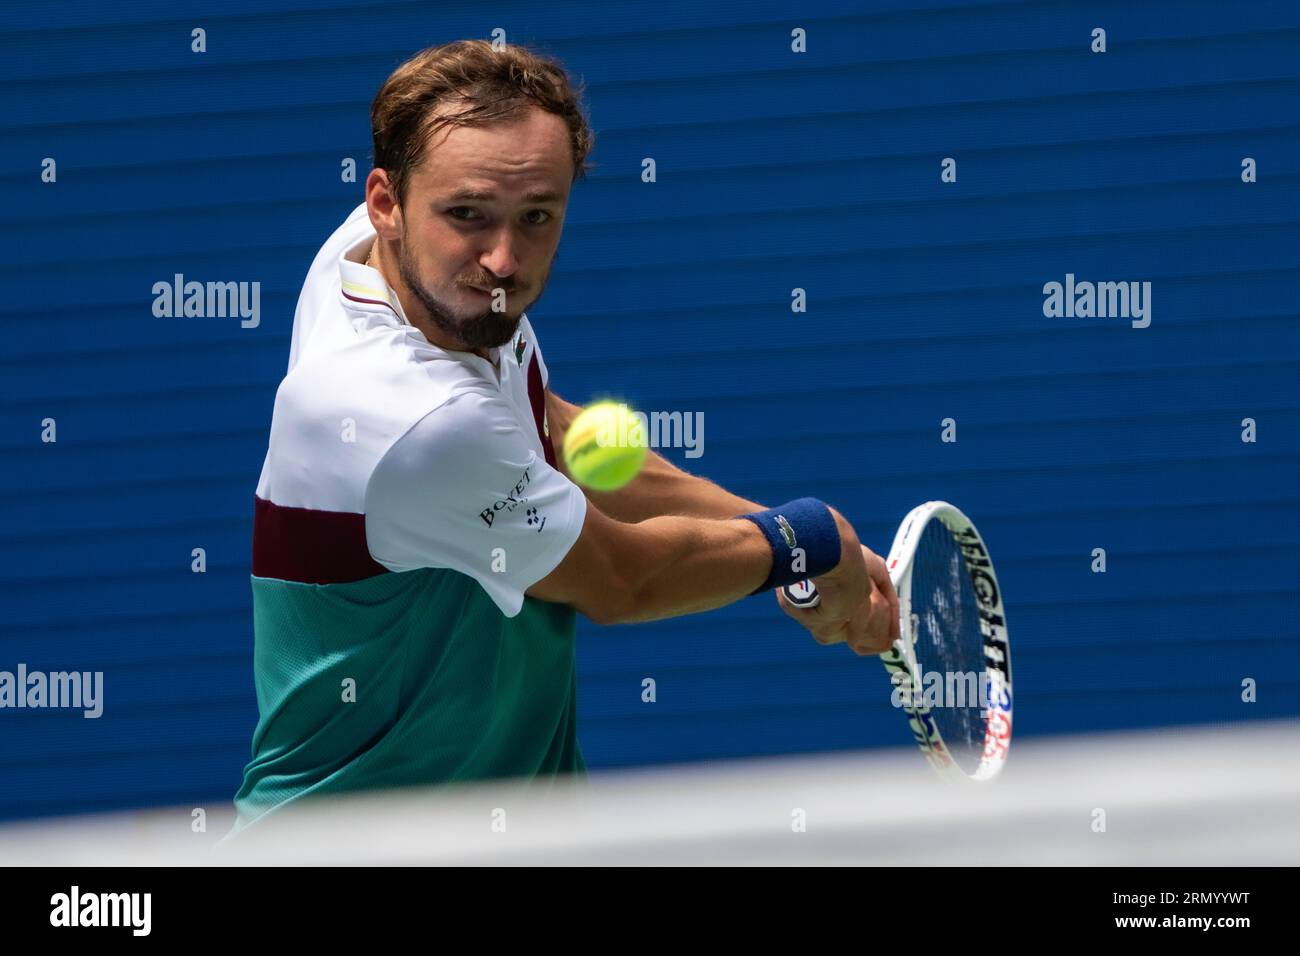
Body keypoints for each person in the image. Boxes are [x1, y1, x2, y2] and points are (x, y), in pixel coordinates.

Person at [230, 39, 897, 835]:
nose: (504, 260)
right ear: (385, 200)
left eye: (537, 217)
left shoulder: (379, 265)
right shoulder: (417, 421)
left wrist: (793, 553)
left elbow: (546, 429)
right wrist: (811, 538)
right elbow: (623, 579)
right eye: (467, 215)